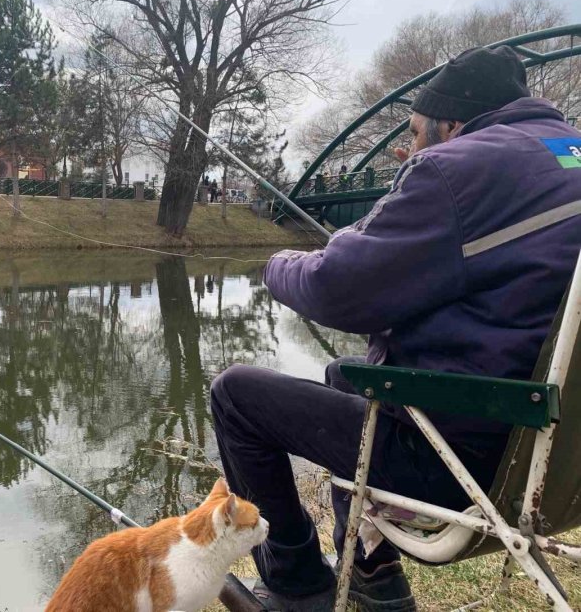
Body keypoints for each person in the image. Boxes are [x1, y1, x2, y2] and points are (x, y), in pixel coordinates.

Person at [210, 46, 581, 611]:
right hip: (560, 462)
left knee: (236, 395)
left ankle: (296, 583)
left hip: (465, 466)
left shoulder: (454, 169)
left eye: (415, 132)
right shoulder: (566, 153)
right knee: (346, 375)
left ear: (450, 125)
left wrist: (275, 264)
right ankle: (370, 572)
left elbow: (338, 289)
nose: (411, 147)